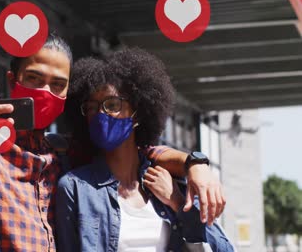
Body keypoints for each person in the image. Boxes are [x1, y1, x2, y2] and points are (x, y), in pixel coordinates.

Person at [0, 34, 225, 251]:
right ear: (12, 80)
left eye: (58, 85)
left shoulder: (63, 150)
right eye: (34, 78)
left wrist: (195, 163)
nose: (45, 90)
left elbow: (137, 151)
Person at [56, 48, 234, 252]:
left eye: (112, 104)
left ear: (138, 115)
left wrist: (176, 202)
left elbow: (223, 249)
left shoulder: (171, 182)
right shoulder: (74, 188)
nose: (100, 114)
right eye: (91, 107)